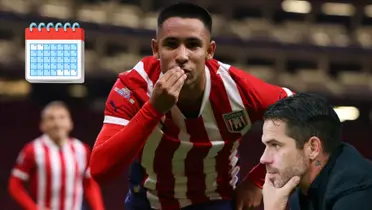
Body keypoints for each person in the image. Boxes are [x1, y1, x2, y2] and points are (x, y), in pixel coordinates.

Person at [90, 2, 294, 210]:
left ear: (209, 51)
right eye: (170, 44)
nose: (181, 56)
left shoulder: (238, 89)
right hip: (149, 201)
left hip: (215, 201)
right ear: (156, 49)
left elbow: (309, 119)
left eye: (193, 45)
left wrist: (260, 180)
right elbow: (100, 171)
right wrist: (153, 110)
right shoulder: (134, 86)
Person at [260, 93, 372, 210]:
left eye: (275, 145)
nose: (263, 159)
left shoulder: (357, 189)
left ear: (313, 148)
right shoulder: (299, 194)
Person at [8, 101, 105, 210]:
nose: (57, 124)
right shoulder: (32, 150)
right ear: (42, 125)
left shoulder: (82, 150)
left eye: (62, 118)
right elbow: (15, 185)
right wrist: (33, 208)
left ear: (70, 123)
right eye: (51, 119)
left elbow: (90, 184)